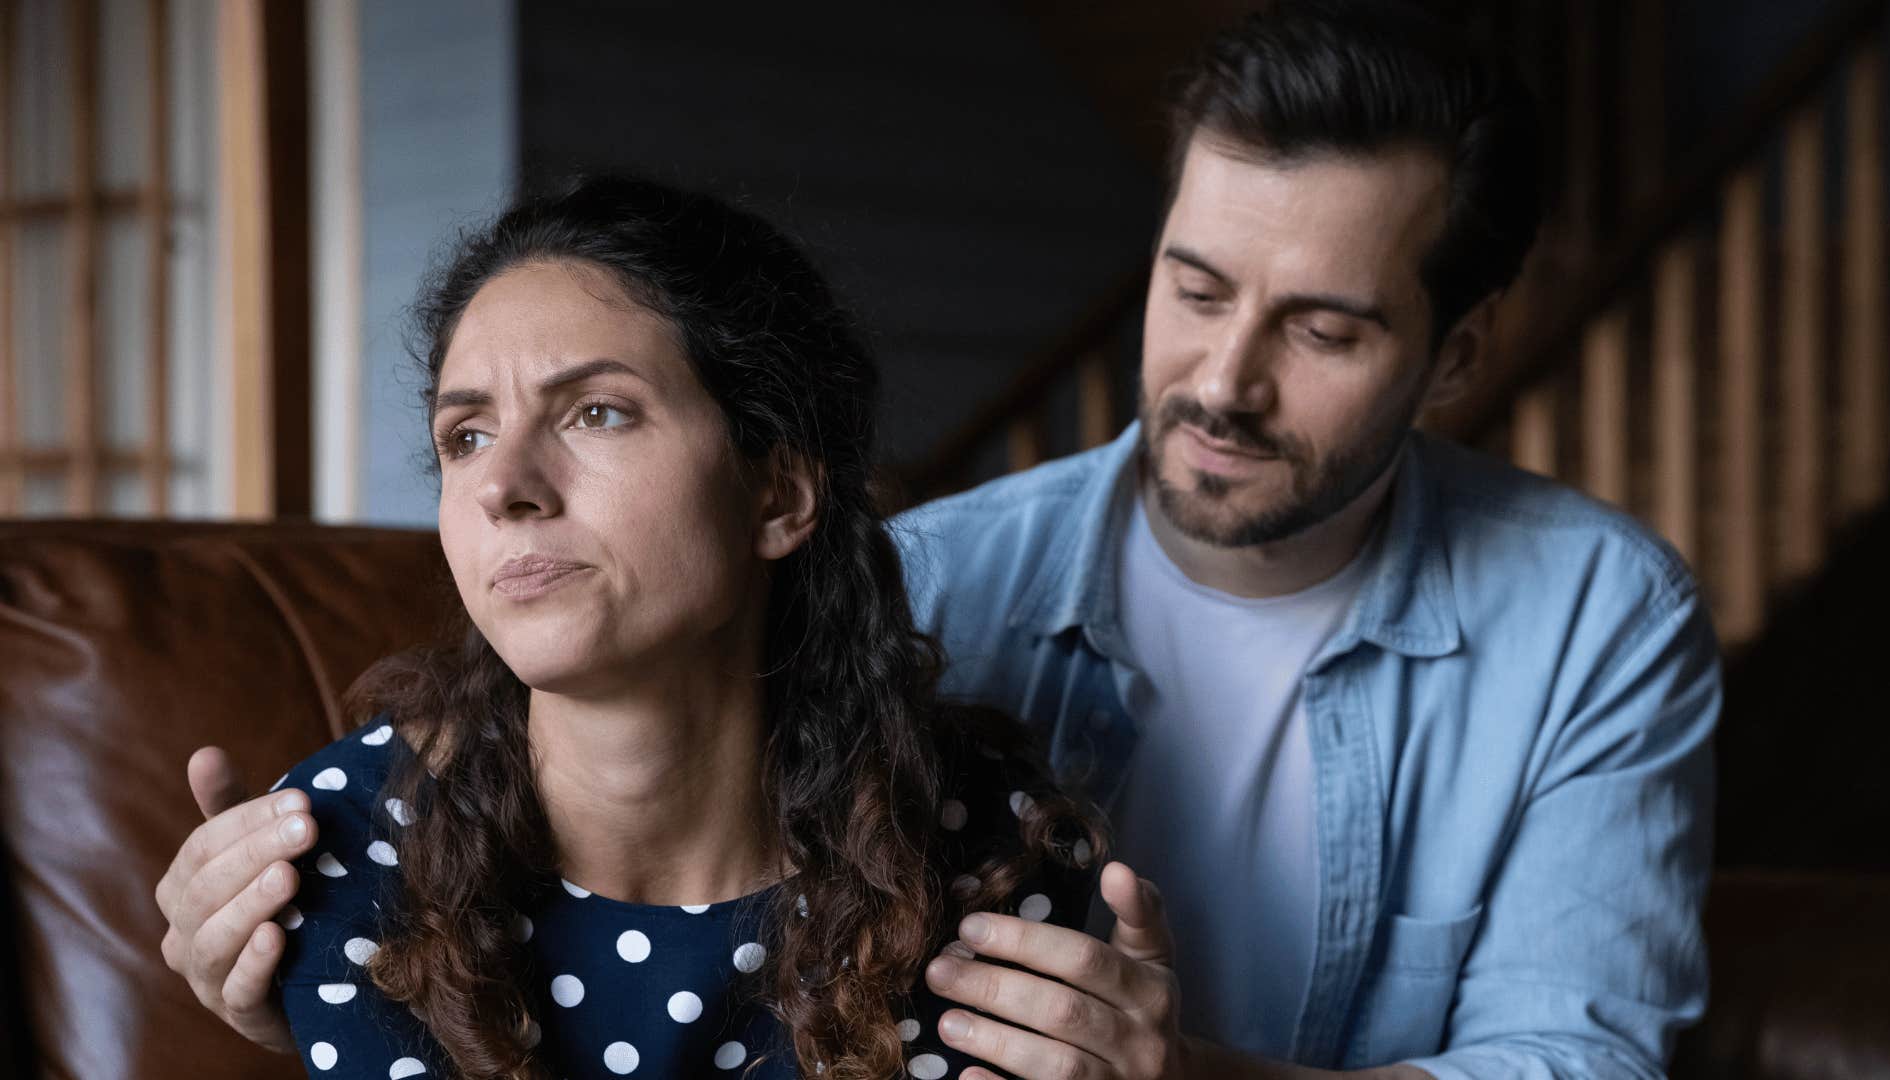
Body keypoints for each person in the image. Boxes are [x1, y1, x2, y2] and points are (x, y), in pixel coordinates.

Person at [158, 2, 1718, 1077]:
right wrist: (309, 975)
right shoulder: (933, 585)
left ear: (1454, 358)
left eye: (1322, 328)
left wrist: (1185, 1076)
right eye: (1193, 288)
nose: (1226, 381)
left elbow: (1582, 1056)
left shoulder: (1596, 617)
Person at [158, 176, 1111, 1079]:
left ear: (777, 494)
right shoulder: (359, 847)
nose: (501, 488)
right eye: (466, 436)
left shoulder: (985, 849)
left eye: (597, 413)